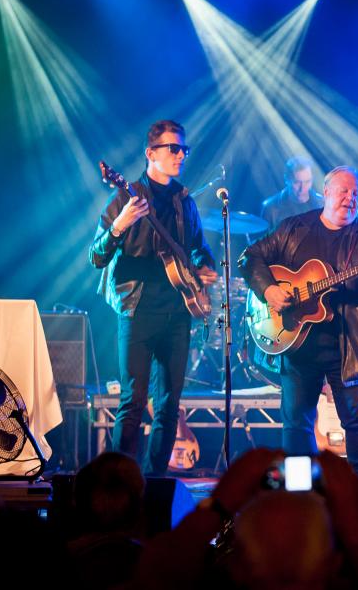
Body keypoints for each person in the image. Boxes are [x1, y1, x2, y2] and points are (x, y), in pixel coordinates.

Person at [239, 166, 358, 475]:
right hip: (298, 343)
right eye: (343, 191)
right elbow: (249, 257)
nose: (350, 198)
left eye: (356, 193)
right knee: (296, 423)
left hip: (348, 346)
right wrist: (269, 290)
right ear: (326, 192)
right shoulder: (294, 229)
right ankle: (301, 493)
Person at [90, 119, 219, 476]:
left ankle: (156, 479)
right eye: (173, 148)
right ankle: (120, 481)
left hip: (178, 311)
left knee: (169, 404)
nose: (181, 155)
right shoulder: (125, 196)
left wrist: (204, 267)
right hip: (138, 309)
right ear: (151, 153)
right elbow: (96, 256)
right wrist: (120, 225)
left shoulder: (183, 200)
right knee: (132, 401)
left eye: (184, 149)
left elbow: (198, 247)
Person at [260, 156, 324, 232]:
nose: (302, 188)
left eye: (307, 182)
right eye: (297, 182)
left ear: (312, 179)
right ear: (287, 179)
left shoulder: (323, 204)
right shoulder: (270, 208)